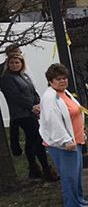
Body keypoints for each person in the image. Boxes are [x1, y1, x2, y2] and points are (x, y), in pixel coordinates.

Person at [39, 63, 88, 207]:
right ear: (50, 81)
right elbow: (53, 121)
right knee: (69, 177)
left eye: (64, 78)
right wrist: (65, 141)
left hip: (77, 140)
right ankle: (72, 206)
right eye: (58, 79)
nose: (62, 81)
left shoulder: (65, 93)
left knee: (76, 174)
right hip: (63, 145)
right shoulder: (50, 97)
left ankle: (80, 199)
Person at [1, 53, 57, 181]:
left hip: (31, 112)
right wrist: (31, 107)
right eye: (12, 63)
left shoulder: (24, 75)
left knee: (31, 141)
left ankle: (33, 168)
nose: (14, 65)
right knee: (37, 139)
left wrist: (38, 104)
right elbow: (15, 96)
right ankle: (46, 169)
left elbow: (33, 92)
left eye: (17, 62)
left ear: (22, 64)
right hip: (21, 114)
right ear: (8, 64)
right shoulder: (6, 78)